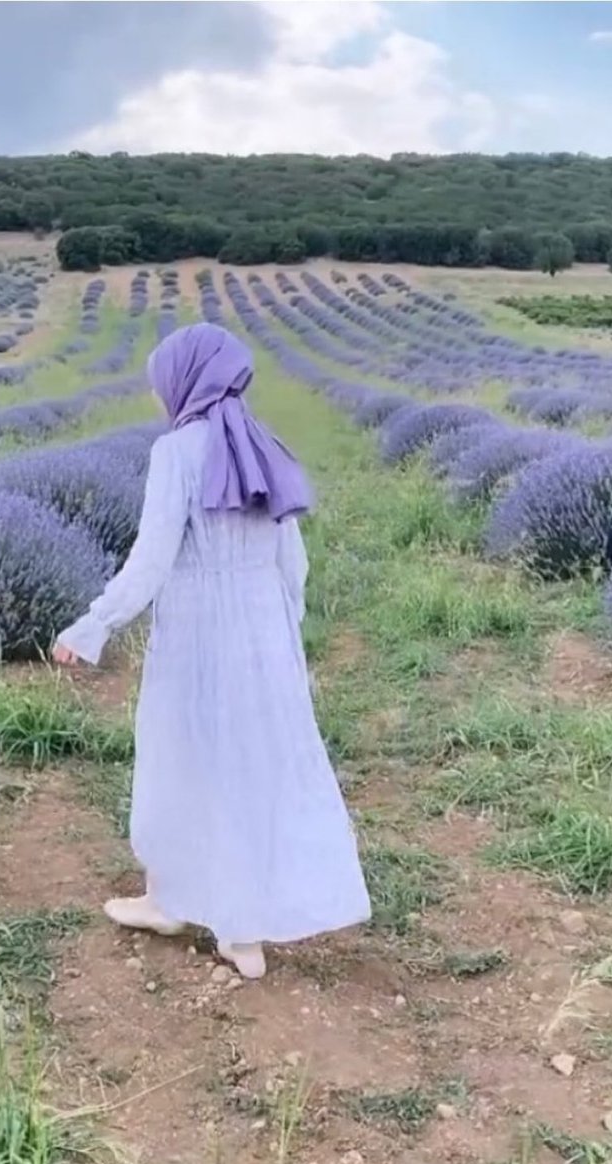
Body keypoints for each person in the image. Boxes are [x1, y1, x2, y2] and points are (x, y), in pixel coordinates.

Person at [53, 323, 370, 980]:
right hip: (263, 632)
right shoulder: (262, 444)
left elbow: (150, 561)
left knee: (183, 759)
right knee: (254, 766)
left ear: (184, 379)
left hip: (199, 634)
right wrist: (284, 630)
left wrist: (92, 626)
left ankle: (175, 901)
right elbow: (294, 560)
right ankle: (239, 930)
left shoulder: (178, 453)